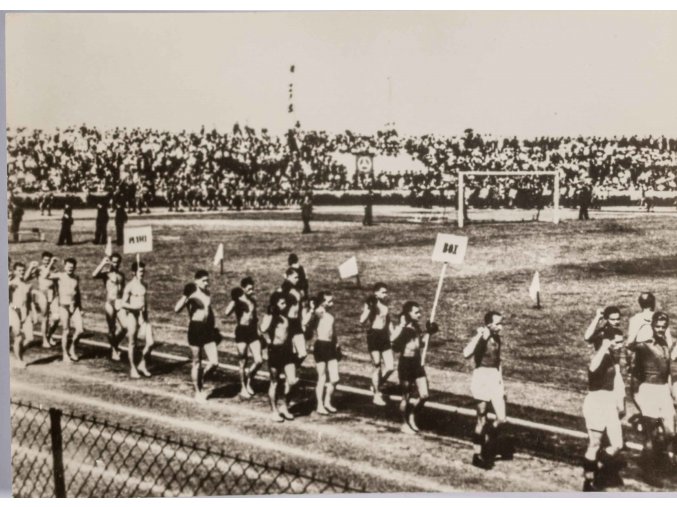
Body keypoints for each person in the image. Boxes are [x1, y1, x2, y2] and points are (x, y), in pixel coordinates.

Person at [463, 311, 513, 469]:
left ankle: (486, 441)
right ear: (489, 324)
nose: (501, 327)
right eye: (498, 323)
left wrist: (502, 384)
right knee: (482, 418)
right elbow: (466, 353)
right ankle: (477, 453)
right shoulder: (482, 336)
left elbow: (498, 362)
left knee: (502, 418)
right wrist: (479, 335)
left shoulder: (497, 338)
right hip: (481, 377)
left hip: (494, 378)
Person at [581, 315, 626, 491]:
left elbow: (616, 383)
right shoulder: (601, 356)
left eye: (622, 342)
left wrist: (619, 402)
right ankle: (589, 481)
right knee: (594, 444)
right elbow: (592, 368)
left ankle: (596, 467)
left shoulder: (614, 360)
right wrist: (605, 347)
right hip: (596, 403)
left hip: (608, 403)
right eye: (617, 342)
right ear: (608, 343)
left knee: (617, 445)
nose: (620, 346)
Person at [628, 312, 676, 467]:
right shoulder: (644, 346)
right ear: (652, 326)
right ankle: (649, 470)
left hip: (663, 392)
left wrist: (671, 392)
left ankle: (651, 456)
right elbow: (630, 349)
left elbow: (668, 372)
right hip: (649, 391)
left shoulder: (665, 345)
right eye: (658, 326)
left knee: (671, 433)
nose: (660, 329)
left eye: (663, 327)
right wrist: (636, 398)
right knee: (652, 435)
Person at [391, 301, 438, 435]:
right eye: (416, 312)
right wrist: (401, 325)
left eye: (419, 311)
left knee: (424, 395)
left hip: (417, 364)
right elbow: (392, 340)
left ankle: (411, 416)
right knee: (406, 396)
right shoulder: (403, 327)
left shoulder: (416, 327)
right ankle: (404, 423)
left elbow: (420, 344)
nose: (419, 314)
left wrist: (429, 332)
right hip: (406, 364)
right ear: (408, 313)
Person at [175, 270, 219, 401]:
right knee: (197, 362)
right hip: (195, 328)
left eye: (207, 280)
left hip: (207, 330)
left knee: (214, 362)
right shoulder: (191, 292)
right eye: (204, 280)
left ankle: (202, 377)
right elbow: (176, 309)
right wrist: (185, 297)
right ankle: (198, 391)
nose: (206, 283)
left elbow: (209, 312)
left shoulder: (207, 293)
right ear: (197, 280)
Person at [260, 292, 297, 422]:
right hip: (275, 351)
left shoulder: (285, 317)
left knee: (292, 380)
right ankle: (274, 411)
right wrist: (271, 317)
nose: (285, 305)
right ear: (275, 304)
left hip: (286, 351)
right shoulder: (270, 316)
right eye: (282, 303)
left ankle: (284, 406)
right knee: (274, 382)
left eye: (285, 303)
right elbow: (262, 329)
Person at [225, 277, 263, 398]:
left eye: (253, 288)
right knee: (243, 361)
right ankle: (243, 387)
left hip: (252, 332)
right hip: (242, 331)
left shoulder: (253, 300)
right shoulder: (237, 300)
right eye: (249, 289)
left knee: (259, 360)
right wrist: (235, 300)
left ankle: (249, 378)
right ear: (243, 289)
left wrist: (259, 330)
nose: (252, 291)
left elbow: (255, 317)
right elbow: (226, 312)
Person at [585, 307, 627, 415]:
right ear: (606, 319)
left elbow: (618, 355)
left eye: (618, 319)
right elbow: (587, 337)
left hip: (614, 368)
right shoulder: (602, 332)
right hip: (603, 370)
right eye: (612, 319)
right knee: (610, 405)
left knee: (621, 409)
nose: (616, 322)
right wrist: (597, 317)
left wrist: (619, 372)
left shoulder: (619, 332)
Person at [359, 282, 395, 406]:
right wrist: (369, 309)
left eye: (386, 292)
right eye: (383, 292)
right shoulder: (370, 303)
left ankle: (375, 385)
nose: (386, 294)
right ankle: (376, 395)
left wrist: (393, 335)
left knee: (390, 367)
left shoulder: (385, 306)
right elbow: (362, 320)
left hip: (384, 336)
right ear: (376, 292)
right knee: (377, 365)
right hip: (374, 335)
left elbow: (388, 322)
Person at [120, 261, 154, 379]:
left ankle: (142, 364)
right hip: (132, 316)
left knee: (150, 343)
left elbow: (145, 303)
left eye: (143, 271)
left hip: (143, 317)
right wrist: (133, 307)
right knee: (132, 343)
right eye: (140, 271)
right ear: (134, 272)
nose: (142, 273)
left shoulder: (145, 285)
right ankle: (133, 368)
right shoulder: (129, 286)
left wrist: (145, 316)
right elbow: (122, 303)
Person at [308, 292, 341, 415]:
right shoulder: (319, 312)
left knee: (335, 378)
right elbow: (314, 315)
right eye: (329, 301)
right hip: (321, 345)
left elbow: (334, 331)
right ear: (322, 302)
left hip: (331, 346)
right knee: (322, 377)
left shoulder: (330, 315)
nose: (332, 303)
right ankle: (320, 405)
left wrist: (337, 343)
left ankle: (327, 402)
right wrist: (313, 307)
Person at [47, 257, 83, 362]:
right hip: (63, 306)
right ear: (64, 265)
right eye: (68, 266)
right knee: (66, 331)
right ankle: (65, 354)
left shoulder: (76, 277)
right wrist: (51, 263)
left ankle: (72, 349)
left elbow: (78, 293)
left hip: (74, 306)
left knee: (80, 330)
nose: (70, 269)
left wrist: (80, 308)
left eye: (72, 267)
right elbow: (46, 275)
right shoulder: (60, 276)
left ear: (75, 267)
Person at [92, 253, 126, 361]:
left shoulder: (121, 275)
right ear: (111, 262)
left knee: (125, 327)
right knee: (112, 328)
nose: (115, 264)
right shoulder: (106, 273)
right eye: (114, 262)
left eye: (117, 262)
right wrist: (103, 263)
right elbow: (94, 275)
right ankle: (114, 350)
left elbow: (123, 290)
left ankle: (114, 345)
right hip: (110, 303)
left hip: (119, 302)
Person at [28, 251, 59, 348]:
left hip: (53, 294)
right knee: (45, 318)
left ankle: (49, 335)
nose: (47, 262)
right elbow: (27, 277)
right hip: (42, 294)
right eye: (45, 260)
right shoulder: (39, 269)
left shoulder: (54, 269)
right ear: (42, 260)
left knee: (56, 317)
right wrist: (31, 267)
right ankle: (45, 340)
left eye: (49, 260)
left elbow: (56, 283)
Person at [9, 262, 36, 368]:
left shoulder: (25, 284)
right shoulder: (11, 283)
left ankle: (17, 354)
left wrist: (33, 313)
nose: (21, 272)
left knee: (30, 338)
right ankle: (18, 359)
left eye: (23, 270)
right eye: (19, 270)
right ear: (15, 271)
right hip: (15, 311)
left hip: (26, 312)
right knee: (18, 337)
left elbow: (29, 301)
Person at [279, 268, 307, 367]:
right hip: (288, 322)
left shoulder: (296, 289)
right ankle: (287, 373)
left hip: (296, 322)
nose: (297, 279)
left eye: (298, 277)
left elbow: (301, 307)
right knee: (289, 351)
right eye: (295, 277)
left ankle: (291, 369)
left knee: (303, 353)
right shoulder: (285, 288)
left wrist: (303, 321)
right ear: (289, 277)